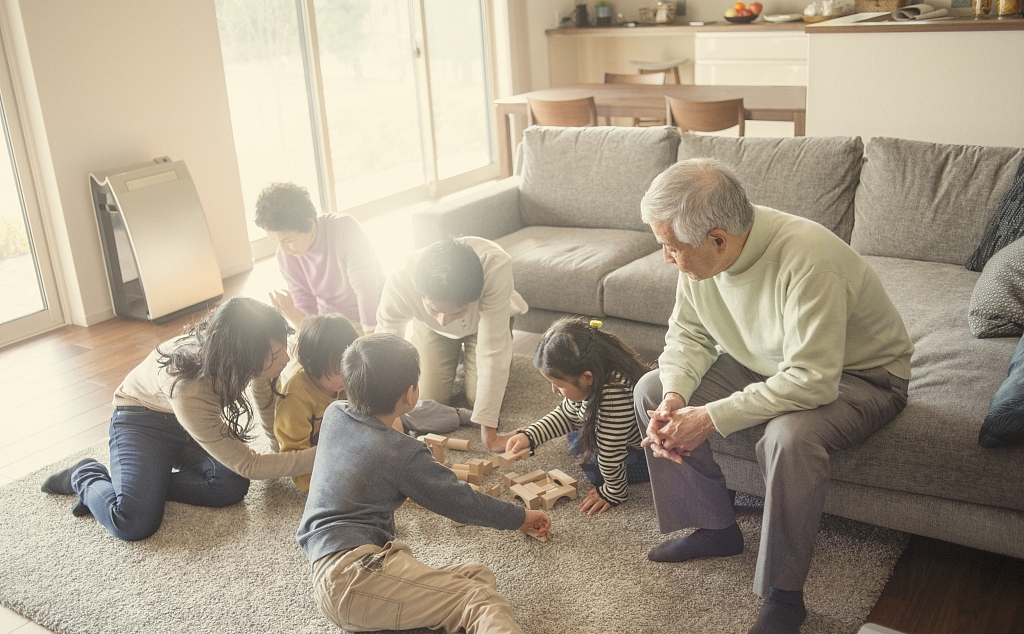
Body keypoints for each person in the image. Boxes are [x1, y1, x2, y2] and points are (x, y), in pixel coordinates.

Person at [634, 158, 914, 634]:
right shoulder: (702, 253)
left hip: (860, 374)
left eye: (670, 248)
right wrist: (677, 397)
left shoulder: (809, 258)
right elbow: (688, 336)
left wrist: (712, 416)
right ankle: (716, 527)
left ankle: (785, 594)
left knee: (788, 438)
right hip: (769, 362)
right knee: (651, 389)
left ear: (718, 239)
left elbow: (813, 378)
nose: (666, 258)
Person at [297, 333, 550, 634]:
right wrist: (519, 517)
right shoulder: (401, 453)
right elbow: (460, 503)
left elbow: (390, 427)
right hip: (356, 578)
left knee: (476, 577)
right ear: (411, 393)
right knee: (478, 599)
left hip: (334, 579)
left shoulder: (334, 414)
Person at [39, 297, 316, 542]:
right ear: (242, 356)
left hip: (188, 425)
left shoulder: (237, 343)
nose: (285, 359)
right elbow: (249, 463)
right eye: (276, 355)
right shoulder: (189, 388)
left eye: (283, 349)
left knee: (230, 486)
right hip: (141, 421)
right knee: (133, 522)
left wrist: (279, 447)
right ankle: (85, 475)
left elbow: (263, 390)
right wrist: (320, 453)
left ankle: (145, 486)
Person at [273, 313, 471, 492]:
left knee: (409, 407)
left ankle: (458, 414)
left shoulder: (349, 376)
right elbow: (294, 457)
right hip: (334, 456)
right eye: (338, 370)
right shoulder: (294, 400)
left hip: (362, 431)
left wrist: (390, 420)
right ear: (310, 364)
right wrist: (316, 487)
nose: (347, 375)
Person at [375, 237, 528, 452]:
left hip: (483, 324)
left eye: (456, 311)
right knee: (425, 398)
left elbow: (493, 348)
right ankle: (455, 353)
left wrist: (490, 436)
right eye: (433, 309)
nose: (444, 321)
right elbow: (385, 347)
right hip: (429, 329)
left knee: (479, 401)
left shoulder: (496, 266)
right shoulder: (401, 279)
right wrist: (387, 411)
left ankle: (467, 355)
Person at [504, 316, 651, 515]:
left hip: (649, 452)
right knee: (581, 433)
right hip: (616, 432)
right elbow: (566, 413)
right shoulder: (593, 375)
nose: (554, 390)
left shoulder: (613, 396)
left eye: (559, 385)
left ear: (586, 378)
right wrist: (531, 435)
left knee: (594, 464)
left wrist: (613, 493)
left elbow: (610, 452)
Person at [254, 182, 385, 334]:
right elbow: (307, 309)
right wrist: (293, 314)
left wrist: (370, 334)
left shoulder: (344, 228)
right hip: (332, 320)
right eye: (274, 241)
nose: (283, 249)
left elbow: (365, 288)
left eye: (287, 240)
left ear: (310, 225)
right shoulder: (285, 256)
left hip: (372, 312)